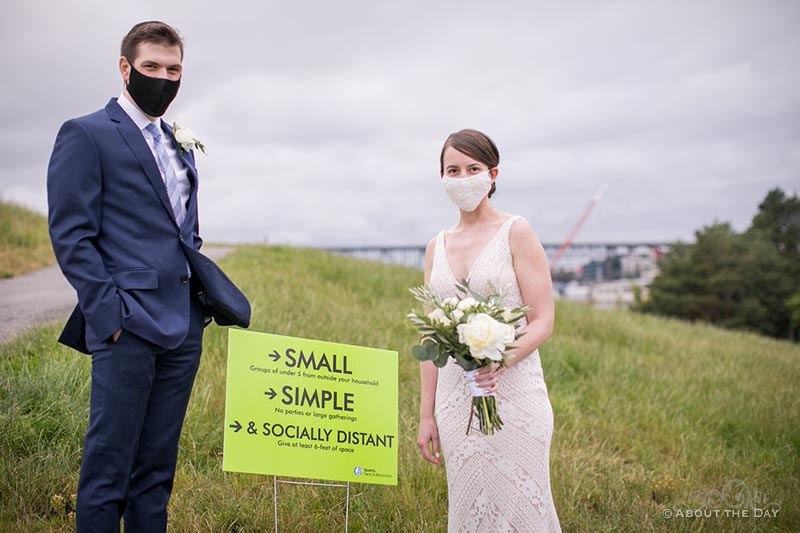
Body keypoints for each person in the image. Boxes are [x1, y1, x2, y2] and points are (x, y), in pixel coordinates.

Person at [48, 21, 212, 532]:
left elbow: (186, 229)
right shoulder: (87, 133)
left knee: (157, 472)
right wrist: (109, 317)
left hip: (183, 328)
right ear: (125, 68)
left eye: (173, 70)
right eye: (151, 68)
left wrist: (197, 308)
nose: (163, 78)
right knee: (108, 471)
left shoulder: (179, 142)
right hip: (126, 325)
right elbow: (71, 235)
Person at [416, 129, 561, 532]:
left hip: (513, 393)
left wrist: (501, 358)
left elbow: (543, 319)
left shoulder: (516, 232)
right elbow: (431, 338)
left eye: (473, 169)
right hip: (454, 401)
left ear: (493, 174)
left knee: (520, 509)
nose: (463, 178)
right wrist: (426, 415)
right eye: (453, 170)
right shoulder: (435, 247)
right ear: (442, 178)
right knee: (469, 508)